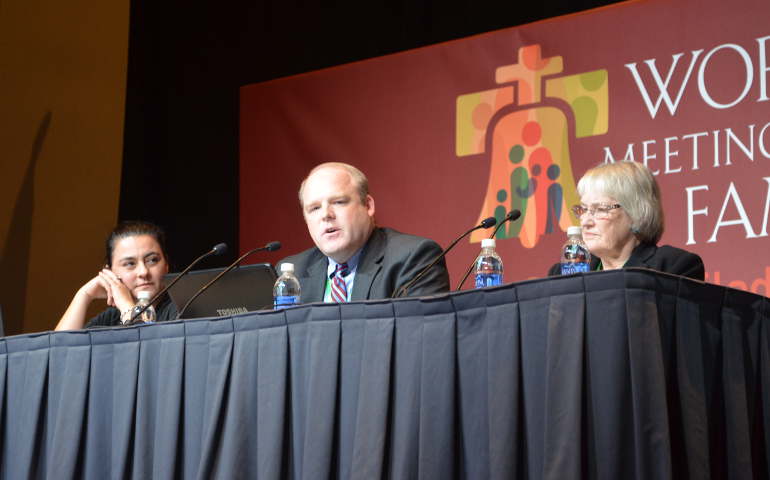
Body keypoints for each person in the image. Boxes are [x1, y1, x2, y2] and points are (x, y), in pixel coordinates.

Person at [277, 162, 450, 302]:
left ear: (368, 205)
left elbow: (417, 337)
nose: (326, 215)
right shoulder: (292, 274)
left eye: (338, 202)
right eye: (314, 208)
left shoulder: (414, 259)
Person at [548, 161, 705, 280]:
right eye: (583, 209)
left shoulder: (672, 267)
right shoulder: (564, 273)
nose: (586, 222)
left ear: (636, 214)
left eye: (601, 209)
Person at [55, 221, 178, 330]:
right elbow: (58, 352)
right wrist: (84, 295)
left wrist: (126, 306)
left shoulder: (184, 309)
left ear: (166, 264)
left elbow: (147, 348)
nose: (143, 272)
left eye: (152, 260)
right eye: (130, 263)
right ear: (110, 273)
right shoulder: (110, 318)